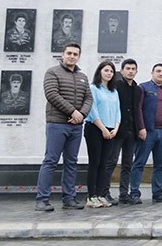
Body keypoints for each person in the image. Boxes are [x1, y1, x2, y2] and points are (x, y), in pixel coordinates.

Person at [35, 42, 92, 212]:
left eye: (75, 54)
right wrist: (73, 111)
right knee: (50, 161)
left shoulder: (83, 77)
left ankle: (69, 199)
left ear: (79, 57)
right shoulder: (52, 72)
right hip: (57, 124)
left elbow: (89, 98)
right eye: (69, 53)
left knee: (71, 162)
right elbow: (52, 94)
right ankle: (42, 200)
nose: (72, 56)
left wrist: (81, 114)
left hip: (76, 126)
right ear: (63, 54)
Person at [129, 63, 162, 204]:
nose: (160, 74)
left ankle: (157, 193)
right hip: (147, 132)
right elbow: (138, 109)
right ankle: (134, 193)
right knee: (139, 163)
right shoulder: (143, 88)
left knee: (160, 165)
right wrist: (141, 128)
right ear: (152, 73)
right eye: (158, 71)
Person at [103, 58, 141, 205]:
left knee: (127, 164)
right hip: (117, 130)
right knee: (111, 161)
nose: (130, 71)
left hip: (132, 131)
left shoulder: (137, 89)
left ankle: (124, 194)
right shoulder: (115, 87)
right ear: (121, 71)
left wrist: (139, 129)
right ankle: (104, 192)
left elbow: (137, 111)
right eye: (128, 69)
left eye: (133, 69)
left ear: (136, 71)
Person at [84, 61, 121, 208]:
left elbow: (118, 111)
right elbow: (92, 111)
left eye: (111, 71)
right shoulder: (93, 88)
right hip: (95, 128)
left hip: (111, 130)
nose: (109, 73)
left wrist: (115, 128)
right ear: (100, 71)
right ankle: (91, 196)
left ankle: (100, 194)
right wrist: (103, 129)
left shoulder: (114, 91)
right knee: (95, 162)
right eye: (106, 70)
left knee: (104, 164)